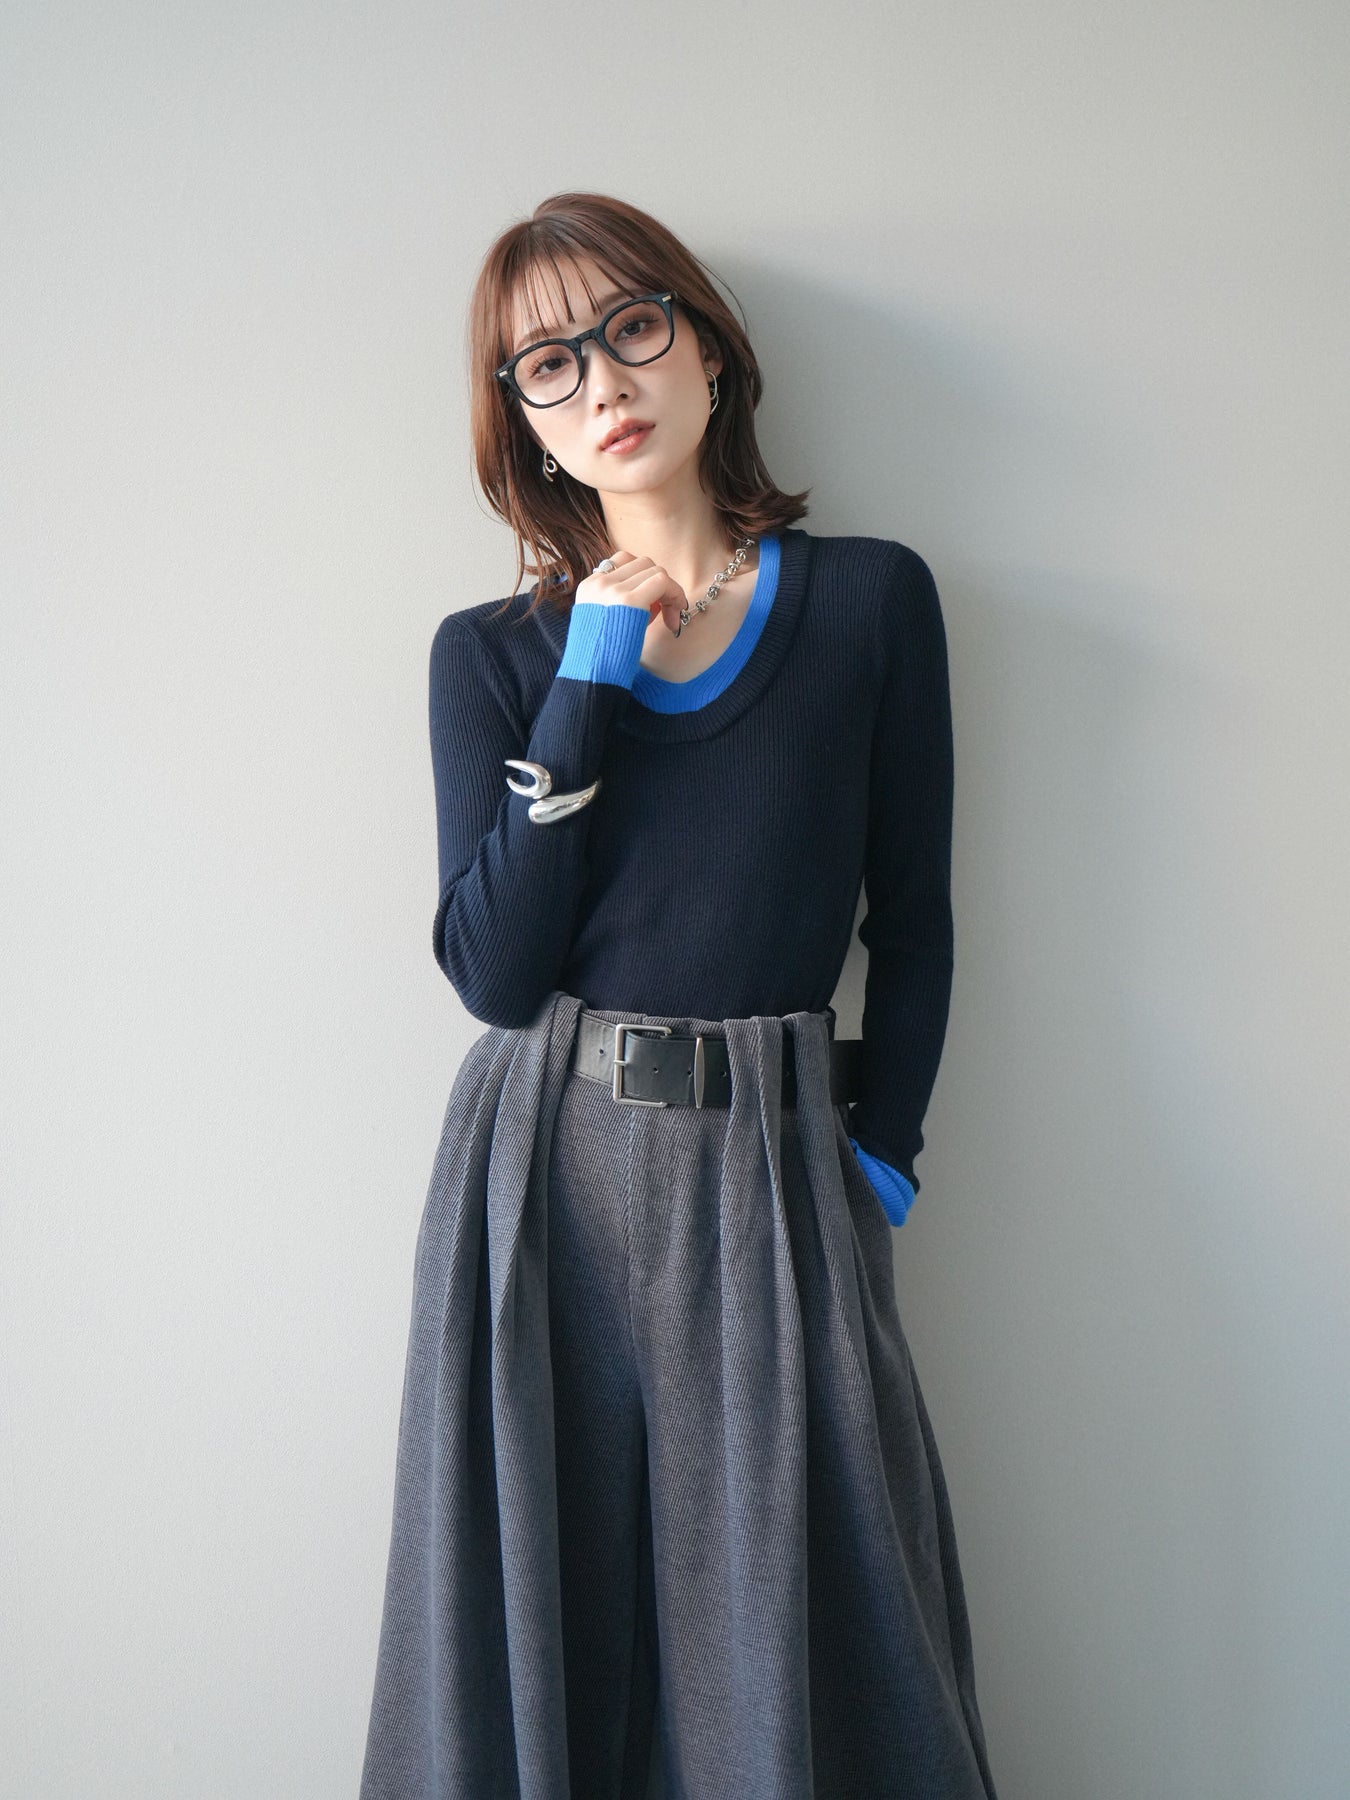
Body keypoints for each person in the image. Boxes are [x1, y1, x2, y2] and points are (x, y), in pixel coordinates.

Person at [359, 191, 999, 1800]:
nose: (602, 382)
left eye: (631, 327)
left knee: (812, 1616)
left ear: (706, 348)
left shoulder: (868, 601)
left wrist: (880, 1159)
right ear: (522, 422)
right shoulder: (489, 656)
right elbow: (494, 973)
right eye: (548, 365)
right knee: (540, 1606)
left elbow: (915, 921)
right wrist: (587, 676)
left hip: (778, 1161)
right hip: (544, 1170)